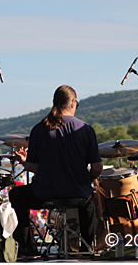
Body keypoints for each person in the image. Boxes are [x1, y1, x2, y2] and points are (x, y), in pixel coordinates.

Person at [9, 85, 103, 256]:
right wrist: (84, 179)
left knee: (16, 195)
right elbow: (97, 168)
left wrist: (24, 162)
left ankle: (27, 247)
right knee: (90, 199)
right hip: (78, 193)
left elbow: (34, 167)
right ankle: (87, 248)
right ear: (73, 103)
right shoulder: (86, 129)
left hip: (46, 194)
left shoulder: (39, 129)